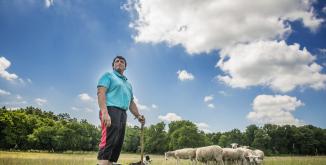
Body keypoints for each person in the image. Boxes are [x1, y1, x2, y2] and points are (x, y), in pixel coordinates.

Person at [97, 55, 145, 165]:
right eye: (117, 61)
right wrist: (104, 112)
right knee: (108, 141)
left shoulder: (128, 84)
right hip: (110, 110)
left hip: (123, 114)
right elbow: (101, 92)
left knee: (117, 143)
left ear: (125, 66)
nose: (119, 62)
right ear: (113, 65)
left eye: (122, 62)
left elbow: (131, 102)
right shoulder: (108, 76)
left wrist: (138, 116)